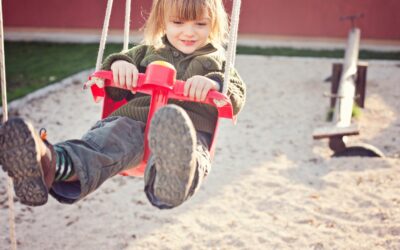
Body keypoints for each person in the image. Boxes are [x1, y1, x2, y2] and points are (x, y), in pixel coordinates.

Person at [0, 0, 246, 209]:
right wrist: (119, 67)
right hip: (133, 122)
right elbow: (112, 79)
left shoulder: (217, 62)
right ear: (162, 21)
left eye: (200, 24)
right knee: (105, 141)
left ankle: (172, 176)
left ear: (213, 23)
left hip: (189, 131)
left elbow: (235, 91)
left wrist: (213, 83)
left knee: (191, 154)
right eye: (178, 23)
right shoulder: (147, 52)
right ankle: (47, 162)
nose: (189, 32)